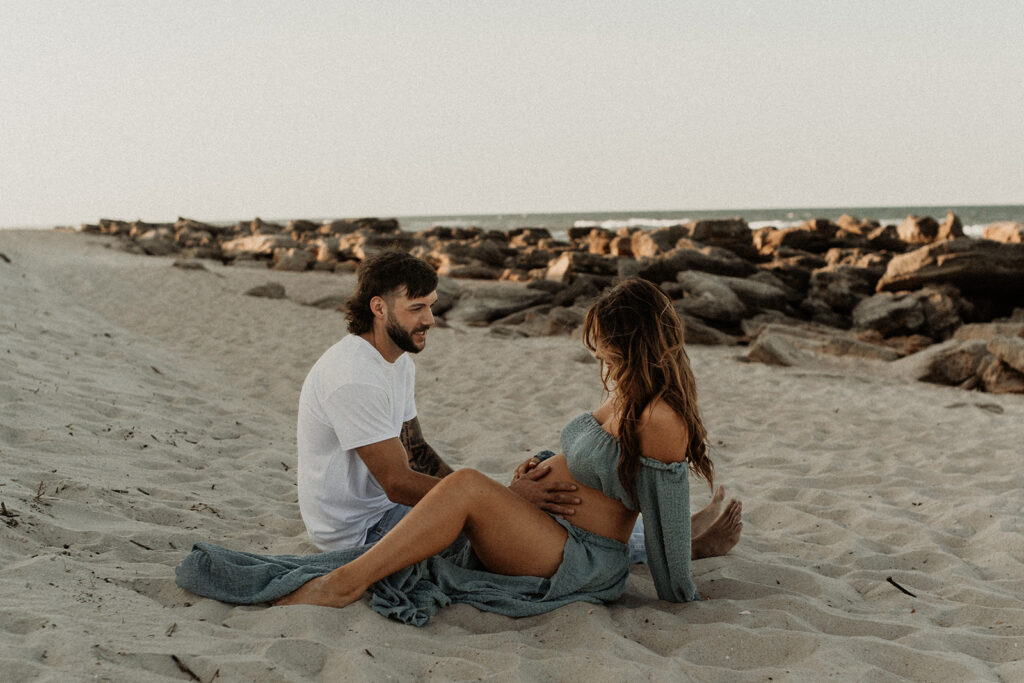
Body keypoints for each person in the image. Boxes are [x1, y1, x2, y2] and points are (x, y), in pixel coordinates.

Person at [268, 277, 742, 612]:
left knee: (469, 487)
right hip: (551, 534)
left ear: (634, 342)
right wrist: (537, 466)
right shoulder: (624, 392)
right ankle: (347, 577)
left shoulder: (660, 418)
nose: (597, 354)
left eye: (605, 346)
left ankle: (344, 583)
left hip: (582, 559)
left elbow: (661, 512)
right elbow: (599, 470)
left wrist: (683, 592)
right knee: (468, 492)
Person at [296, 250, 582, 552]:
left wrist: (491, 496)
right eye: (416, 308)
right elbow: (397, 484)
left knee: (538, 512)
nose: (430, 320)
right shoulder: (354, 375)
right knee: (529, 538)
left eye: (431, 306)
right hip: (361, 531)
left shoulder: (398, 361)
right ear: (379, 308)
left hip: (386, 511)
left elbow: (416, 452)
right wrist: (500, 498)